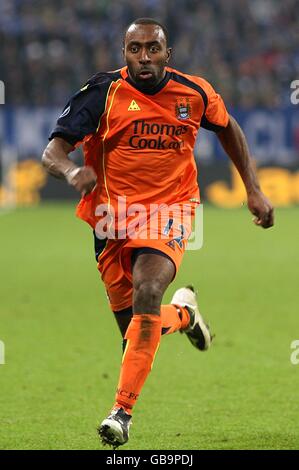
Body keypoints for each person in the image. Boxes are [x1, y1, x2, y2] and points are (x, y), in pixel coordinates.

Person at [42, 17, 274, 448]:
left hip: (172, 208)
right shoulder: (103, 93)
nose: (144, 58)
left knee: (148, 290)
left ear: (169, 54)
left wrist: (254, 189)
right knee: (134, 331)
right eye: (135, 50)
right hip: (112, 220)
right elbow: (52, 151)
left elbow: (228, 127)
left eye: (153, 49)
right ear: (123, 53)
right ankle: (184, 314)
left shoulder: (195, 92)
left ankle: (120, 414)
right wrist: (73, 170)